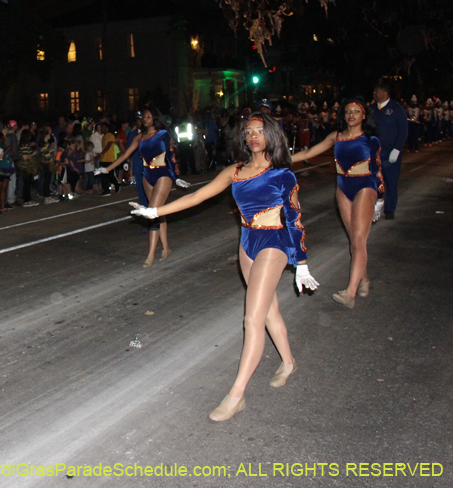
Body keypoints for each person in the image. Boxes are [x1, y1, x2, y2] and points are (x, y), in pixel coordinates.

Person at [129, 113, 318, 421]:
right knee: (269, 311)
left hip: (274, 242)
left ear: (272, 135)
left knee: (252, 318)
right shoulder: (236, 170)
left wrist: (302, 262)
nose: (253, 136)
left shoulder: (283, 174)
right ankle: (288, 362)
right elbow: (198, 195)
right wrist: (155, 211)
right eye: (248, 132)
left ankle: (236, 395)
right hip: (247, 241)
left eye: (259, 131)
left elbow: (294, 219)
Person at [293, 98, 383, 309]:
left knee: (359, 239)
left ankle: (350, 294)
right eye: (348, 111)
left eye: (356, 111)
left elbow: (378, 169)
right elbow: (307, 153)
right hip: (343, 188)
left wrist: (379, 198)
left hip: (365, 186)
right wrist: (277, 160)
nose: (351, 114)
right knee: (354, 240)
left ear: (363, 116)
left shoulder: (370, 139)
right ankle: (364, 279)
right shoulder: (335, 137)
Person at [98, 108, 190, 267]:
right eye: (144, 117)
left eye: (149, 116)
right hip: (147, 175)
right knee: (157, 211)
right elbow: (125, 155)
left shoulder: (163, 134)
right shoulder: (139, 137)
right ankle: (166, 248)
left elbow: (171, 156)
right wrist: (106, 169)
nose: (145, 119)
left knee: (152, 213)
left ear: (155, 118)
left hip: (163, 174)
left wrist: (177, 177)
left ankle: (150, 255)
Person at [369, 84, 408, 220]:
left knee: (390, 182)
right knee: (373, 182)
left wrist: (397, 149)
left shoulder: (396, 109)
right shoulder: (371, 109)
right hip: (373, 152)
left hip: (390, 153)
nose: (374, 93)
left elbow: (403, 130)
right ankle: (372, 209)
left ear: (385, 92)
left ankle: (389, 209)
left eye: (377, 91)